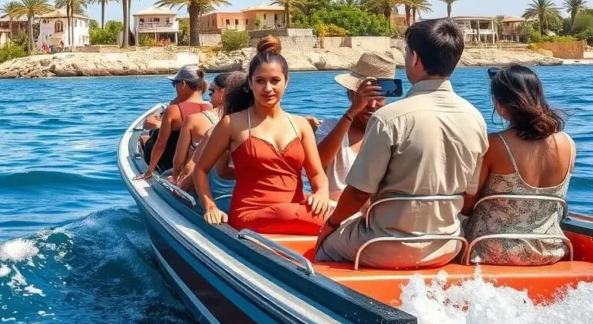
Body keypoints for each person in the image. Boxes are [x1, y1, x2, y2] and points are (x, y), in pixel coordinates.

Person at [315, 19, 488, 269]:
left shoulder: (390, 118)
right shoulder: (476, 118)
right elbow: (469, 194)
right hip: (446, 245)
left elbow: (359, 192)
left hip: (383, 246)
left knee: (323, 248)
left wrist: (330, 227)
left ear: (415, 58)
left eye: (406, 52)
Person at [191, 37, 331, 234]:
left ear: (286, 82)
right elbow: (201, 170)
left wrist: (322, 193)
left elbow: (317, 174)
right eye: (260, 81)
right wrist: (210, 206)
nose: (267, 88)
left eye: (275, 81)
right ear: (250, 82)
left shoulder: (301, 125)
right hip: (251, 214)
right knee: (338, 217)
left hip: (296, 213)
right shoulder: (231, 124)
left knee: (342, 204)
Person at [461, 65, 574, 265]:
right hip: (550, 248)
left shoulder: (495, 144)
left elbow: (468, 204)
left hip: (490, 249)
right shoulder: (568, 144)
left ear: (499, 103)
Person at [315, 53, 395, 200]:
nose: (371, 105)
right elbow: (317, 164)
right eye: (366, 97)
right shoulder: (331, 127)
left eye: (378, 98)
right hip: (336, 214)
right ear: (352, 94)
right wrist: (351, 113)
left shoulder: (390, 134)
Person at [172, 72, 242, 209]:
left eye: (211, 92)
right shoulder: (265, 129)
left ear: (224, 94)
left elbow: (189, 167)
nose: (209, 98)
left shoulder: (214, 133)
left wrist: (178, 185)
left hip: (219, 203)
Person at [141, 65, 212, 177]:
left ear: (183, 84)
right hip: (199, 164)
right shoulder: (211, 108)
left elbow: (160, 145)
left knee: (146, 138)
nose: (175, 87)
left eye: (175, 84)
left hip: (171, 164)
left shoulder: (174, 110)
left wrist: (150, 170)